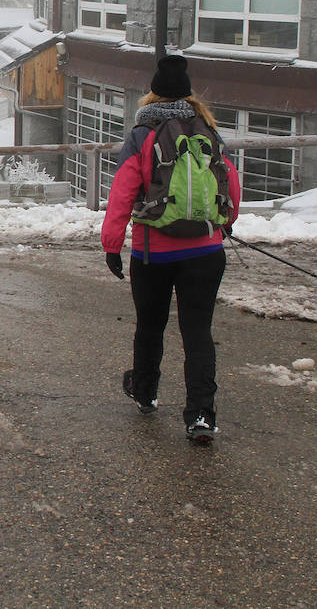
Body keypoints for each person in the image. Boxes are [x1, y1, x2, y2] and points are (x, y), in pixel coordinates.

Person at [100, 55, 241, 444]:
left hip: (154, 253)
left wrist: (112, 244)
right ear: (188, 95)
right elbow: (230, 182)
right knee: (198, 332)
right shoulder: (208, 130)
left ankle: (145, 392)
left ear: (153, 94)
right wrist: (224, 223)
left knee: (150, 326)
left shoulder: (142, 134)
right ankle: (201, 415)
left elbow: (122, 192)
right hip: (206, 252)